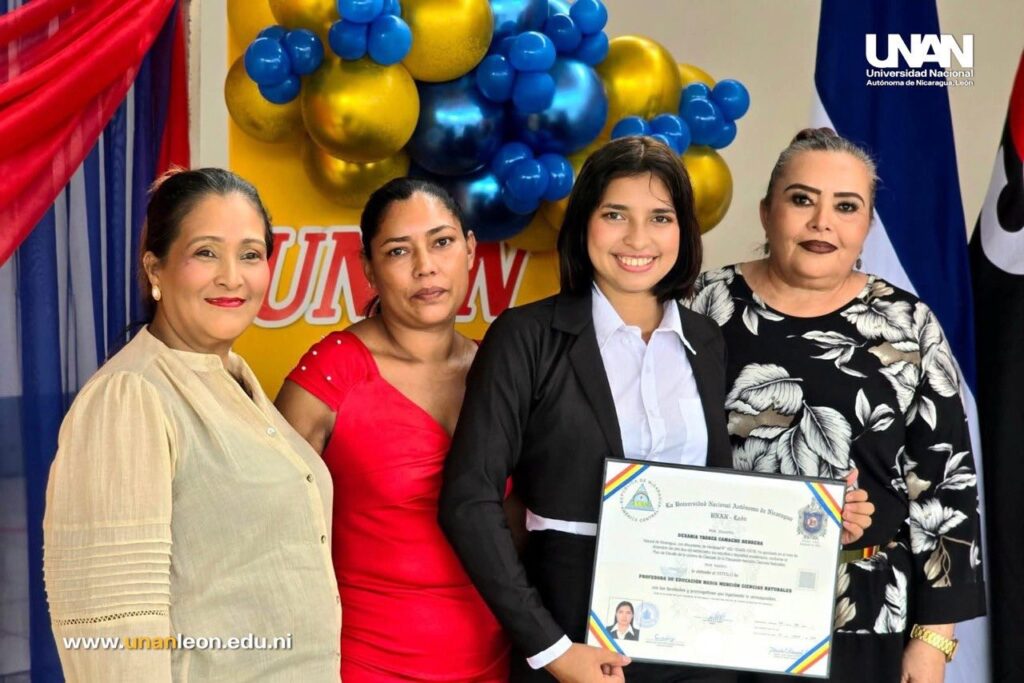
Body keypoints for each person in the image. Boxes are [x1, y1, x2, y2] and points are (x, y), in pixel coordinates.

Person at [438, 137, 874, 683]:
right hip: (574, 644)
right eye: (615, 214)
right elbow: (468, 500)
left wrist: (816, 519)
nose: (638, 238)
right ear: (584, 224)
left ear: (682, 231)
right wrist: (550, 648)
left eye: (660, 217)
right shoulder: (525, 337)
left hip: (697, 649)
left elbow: (718, 499)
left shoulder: (706, 340)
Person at [689, 128, 986, 682]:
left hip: (863, 614)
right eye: (802, 199)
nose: (822, 222)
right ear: (766, 212)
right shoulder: (701, 308)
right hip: (713, 606)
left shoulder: (908, 325)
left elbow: (947, 488)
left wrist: (932, 642)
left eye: (846, 206)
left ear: (866, 225)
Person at [43, 168, 342, 682]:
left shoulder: (235, 382)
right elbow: (112, 629)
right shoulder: (131, 396)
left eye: (250, 254)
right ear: (156, 269)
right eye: (206, 252)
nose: (232, 275)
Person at [274, 177, 510, 682]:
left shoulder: (501, 367)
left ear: (470, 250)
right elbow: (265, 537)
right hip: (365, 664)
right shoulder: (332, 374)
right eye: (399, 250)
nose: (425, 266)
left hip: (497, 660)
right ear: (369, 269)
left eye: (442, 242)